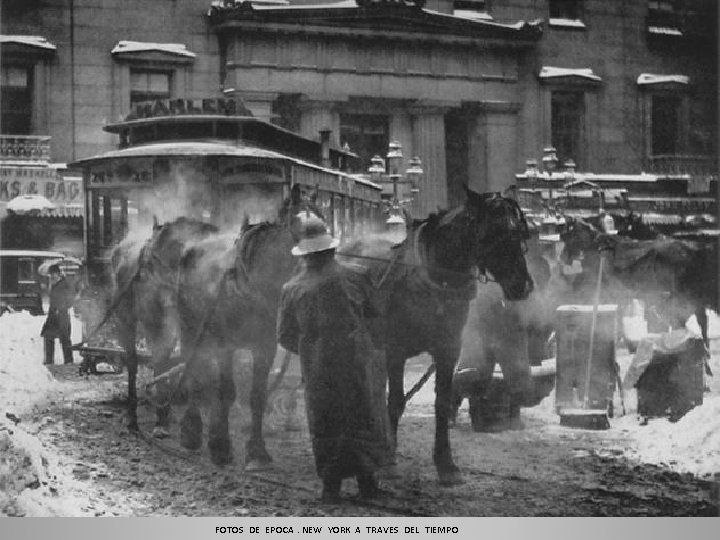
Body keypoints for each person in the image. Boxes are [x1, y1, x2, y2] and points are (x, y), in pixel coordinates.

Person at [277, 213, 390, 502]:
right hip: (356, 361)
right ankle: (367, 483)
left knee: (325, 421)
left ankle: (331, 487)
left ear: (304, 255)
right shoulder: (357, 276)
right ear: (330, 249)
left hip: (317, 366)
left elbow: (285, 336)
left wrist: (310, 348)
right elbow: (377, 313)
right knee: (361, 416)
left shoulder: (291, 289)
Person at [41, 264, 76, 365]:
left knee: (65, 338)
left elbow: (71, 299)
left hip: (62, 315)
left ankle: (69, 361)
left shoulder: (65, 284)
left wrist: (61, 308)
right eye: (51, 274)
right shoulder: (53, 284)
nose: (52, 276)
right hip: (52, 315)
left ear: (59, 274)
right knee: (48, 336)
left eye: (54, 274)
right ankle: (49, 361)